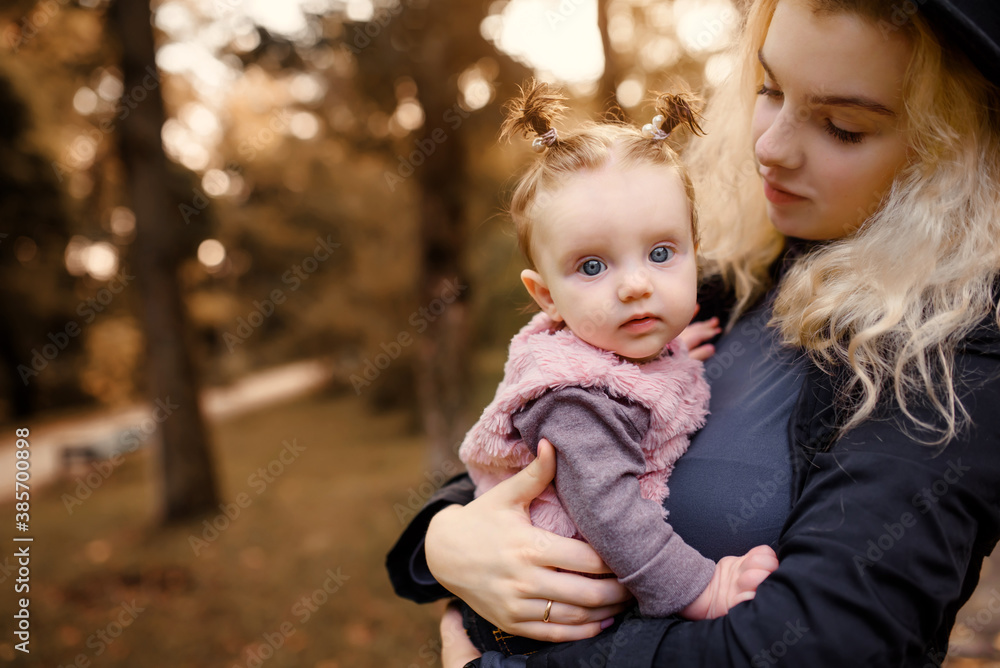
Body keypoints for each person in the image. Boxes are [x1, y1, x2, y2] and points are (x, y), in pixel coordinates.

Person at [384, 0, 1000, 665]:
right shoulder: (733, 278)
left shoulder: (956, 362)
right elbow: (543, 431)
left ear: (954, 148)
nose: (769, 145)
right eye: (769, 90)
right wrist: (445, 541)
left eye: (842, 127)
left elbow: (817, 647)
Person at [453, 81, 779, 656]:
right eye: (593, 265)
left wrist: (671, 354)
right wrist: (702, 588)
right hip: (538, 616)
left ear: (693, 252)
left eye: (660, 254)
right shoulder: (573, 397)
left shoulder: (628, 353)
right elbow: (610, 511)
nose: (635, 285)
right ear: (545, 296)